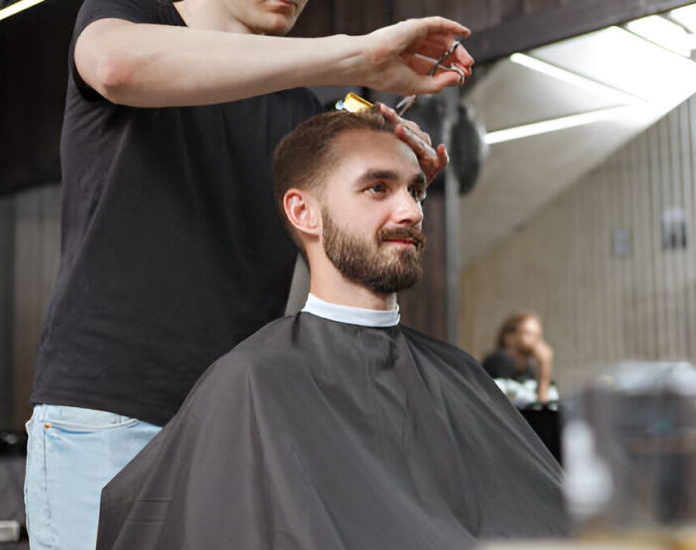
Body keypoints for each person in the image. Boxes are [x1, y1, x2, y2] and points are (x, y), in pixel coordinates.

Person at [25, 0, 474, 547]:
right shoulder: (128, 16)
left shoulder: (299, 110)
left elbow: (344, 235)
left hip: (236, 422)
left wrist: (391, 179)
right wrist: (360, 57)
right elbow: (117, 68)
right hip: (112, 413)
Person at [95, 108, 569, 549]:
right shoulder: (252, 381)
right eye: (378, 188)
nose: (412, 212)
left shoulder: (460, 373)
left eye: (416, 190)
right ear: (304, 212)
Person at [482, 313, 555, 403]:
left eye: (538, 336)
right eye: (529, 334)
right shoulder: (501, 360)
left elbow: (541, 404)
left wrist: (544, 368)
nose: (535, 342)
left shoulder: (530, 368)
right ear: (509, 337)